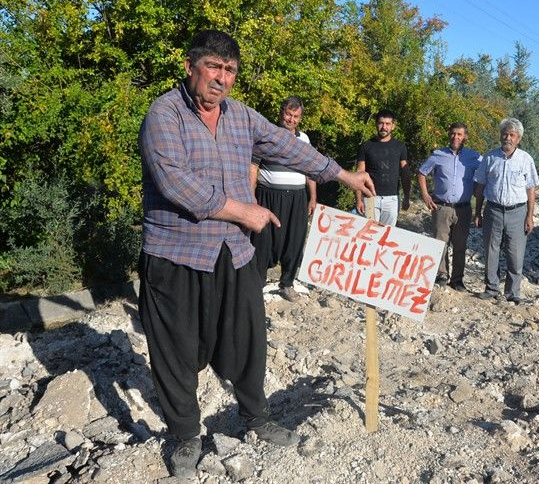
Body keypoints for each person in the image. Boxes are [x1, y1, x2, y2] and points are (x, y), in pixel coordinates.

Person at [138, 30, 374, 478]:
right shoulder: (163, 114)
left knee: (248, 340)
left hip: (233, 252)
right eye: (213, 67)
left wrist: (341, 175)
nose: (221, 79)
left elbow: (287, 146)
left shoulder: (242, 117)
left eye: (229, 71)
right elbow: (173, 183)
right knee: (175, 349)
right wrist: (243, 211)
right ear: (190, 67)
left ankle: (256, 418)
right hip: (176, 252)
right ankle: (185, 435)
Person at [249, 96, 315, 301]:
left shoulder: (304, 139)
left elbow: (311, 168)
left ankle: (287, 284)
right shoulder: (266, 134)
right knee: (263, 241)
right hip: (268, 195)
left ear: (300, 118)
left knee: (294, 240)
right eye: (288, 114)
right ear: (281, 113)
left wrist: (313, 197)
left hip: (297, 197)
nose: (291, 119)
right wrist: (251, 196)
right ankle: (257, 285)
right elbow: (253, 167)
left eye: (296, 116)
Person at [473, 118, 539, 305]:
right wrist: (477, 212)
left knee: (515, 253)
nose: (507, 138)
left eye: (512, 135)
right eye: (505, 134)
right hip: (493, 210)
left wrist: (530, 216)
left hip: (517, 212)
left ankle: (512, 292)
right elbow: (480, 186)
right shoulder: (489, 158)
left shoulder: (526, 159)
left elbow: (531, 189)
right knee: (490, 251)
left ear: (518, 138)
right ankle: (491, 288)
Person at [417, 122, 482, 291]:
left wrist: (480, 191)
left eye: (460, 134)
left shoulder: (474, 157)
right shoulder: (438, 155)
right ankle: (441, 276)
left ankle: (457, 279)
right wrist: (425, 195)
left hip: (464, 208)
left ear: (465, 137)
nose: (456, 137)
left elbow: (486, 173)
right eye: (453, 134)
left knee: (460, 245)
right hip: (441, 207)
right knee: (440, 244)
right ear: (449, 134)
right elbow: (422, 173)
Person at [355, 109, 411, 226]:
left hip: (392, 199)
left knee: (387, 235)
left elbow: (405, 173)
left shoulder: (400, 147)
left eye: (387, 124)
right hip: (370, 197)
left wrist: (406, 197)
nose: (384, 127)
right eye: (381, 123)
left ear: (393, 126)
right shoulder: (366, 146)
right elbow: (359, 174)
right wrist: (359, 199)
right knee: (369, 233)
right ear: (376, 124)